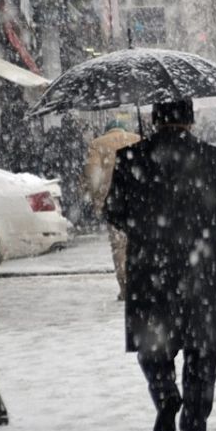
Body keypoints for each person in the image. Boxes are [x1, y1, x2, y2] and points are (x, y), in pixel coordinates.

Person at [104, 99, 216, 431]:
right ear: (190, 120)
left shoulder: (131, 158)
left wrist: (145, 223)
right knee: (201, 350)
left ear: (154, 118)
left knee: (153, 344)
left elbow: (113, 213)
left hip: (150, 268)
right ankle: (194, 428)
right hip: (202, 270)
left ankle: (165, 397)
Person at [85, 118, 141, 301]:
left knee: (119, 246)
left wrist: (96, 200)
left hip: (113, 201)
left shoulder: (97, 144)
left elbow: (93, 176)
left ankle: (125, 287)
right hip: (138, 200)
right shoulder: (137, 138)